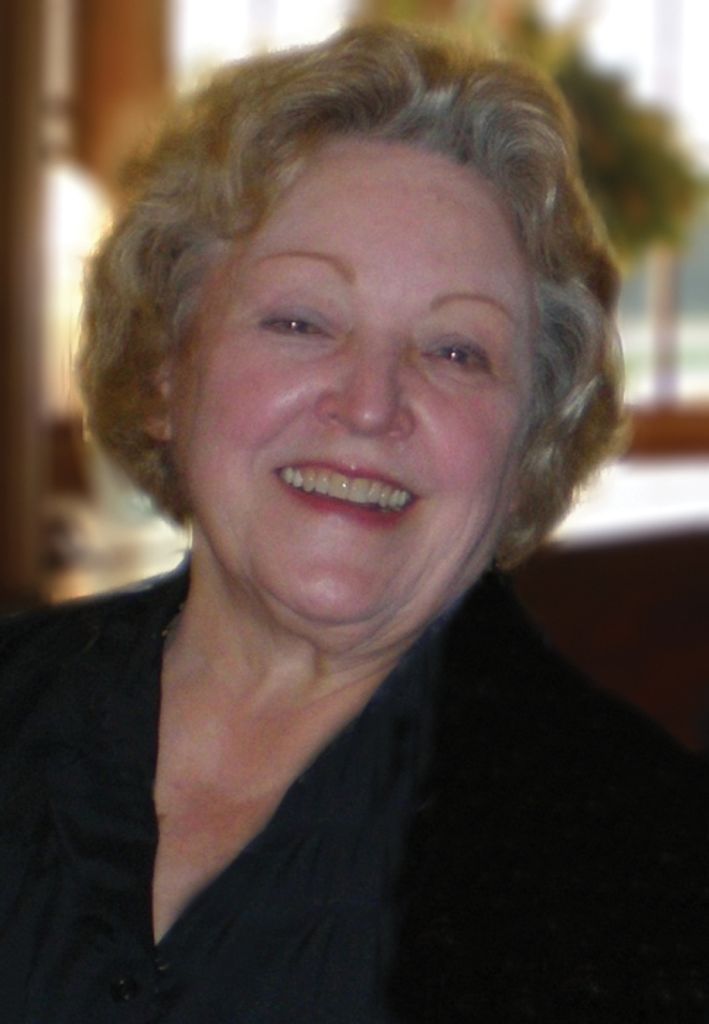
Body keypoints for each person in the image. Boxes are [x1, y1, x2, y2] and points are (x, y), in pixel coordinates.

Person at [1, 23, 708, 1024]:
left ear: (527, 446)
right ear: (164, 372)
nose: (370, 405)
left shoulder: (652, 873)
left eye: (456, 351)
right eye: (300, 321)